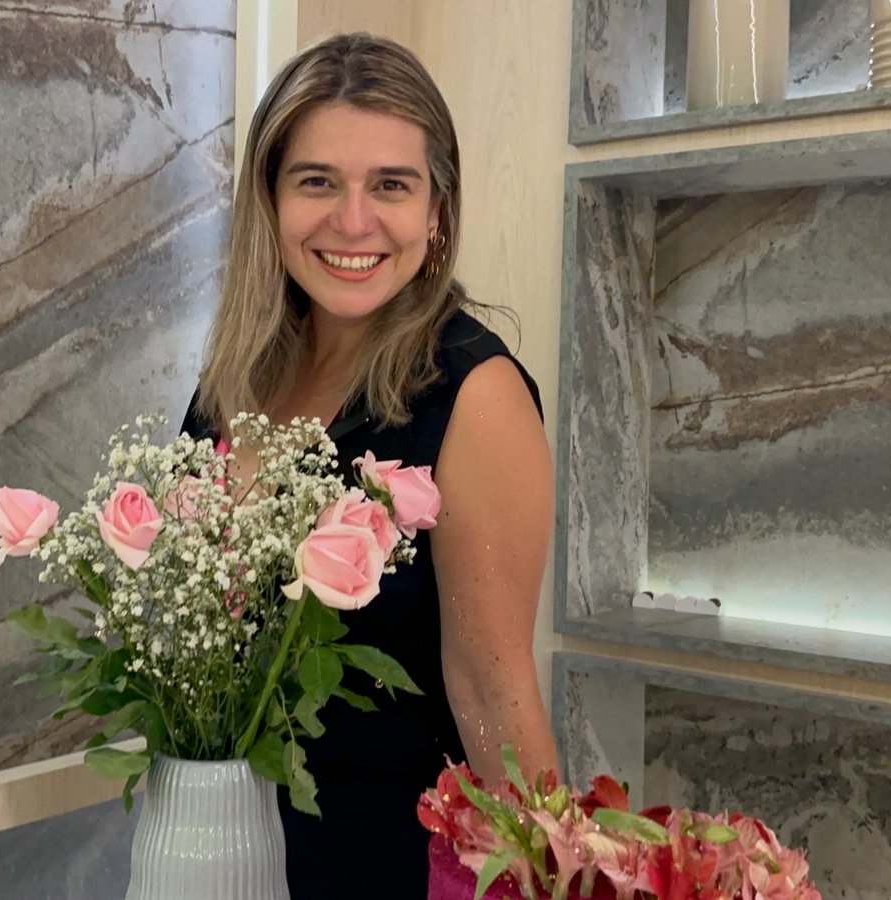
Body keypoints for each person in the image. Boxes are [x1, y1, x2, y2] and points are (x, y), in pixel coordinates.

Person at [180, 32, 558, 898]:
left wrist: (551, 880)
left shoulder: (475, 395)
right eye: (317, 181)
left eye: (391, 185)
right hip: (221, 856)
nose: (353, 222)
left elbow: (493, 692)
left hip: (388, 872)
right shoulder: (232, 386)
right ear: (270, 200)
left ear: (436, 211)